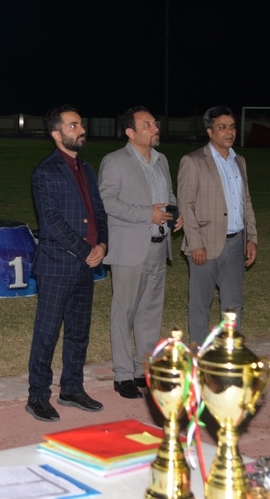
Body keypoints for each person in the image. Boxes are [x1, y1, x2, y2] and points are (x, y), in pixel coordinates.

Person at [26, 105, 108, 422]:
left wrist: (102, 245)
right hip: (57, 265)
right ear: (57, 134)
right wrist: (85, 250)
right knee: (47, 333)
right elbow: (50, 222)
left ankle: (72, 388)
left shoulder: (86, 168)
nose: (81, 130)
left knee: (78, 332)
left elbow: (99, 212)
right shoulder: (45, 171)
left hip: (86, 264)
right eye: (73, 126)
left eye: (80, 124)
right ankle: (38, 395)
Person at [99, 107, 183, 399]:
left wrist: (175, 214)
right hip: (129, 249)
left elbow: (168, 196)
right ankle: (122, 375)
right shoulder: (115, 161)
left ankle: (142, 370)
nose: (154, 128)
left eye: (154, 123)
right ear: (130, 133)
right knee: (124, 312)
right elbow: (107, 201)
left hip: (159, 246)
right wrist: (147, 214)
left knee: (150, 312)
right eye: (146, 125)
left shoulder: (161, 160)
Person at [177, 106, 259, 345]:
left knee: (234, 304)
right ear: (210, 131)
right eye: (222, 127)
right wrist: (195, 243)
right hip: (205, 245)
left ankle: (230, 351)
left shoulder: (239, 161)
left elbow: (246, 201)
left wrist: (251, 237)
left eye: (232, 127)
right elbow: (185, 204)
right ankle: (199, 353)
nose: (229, 132)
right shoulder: (193, 161)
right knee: (201, 303)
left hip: (236, 243)